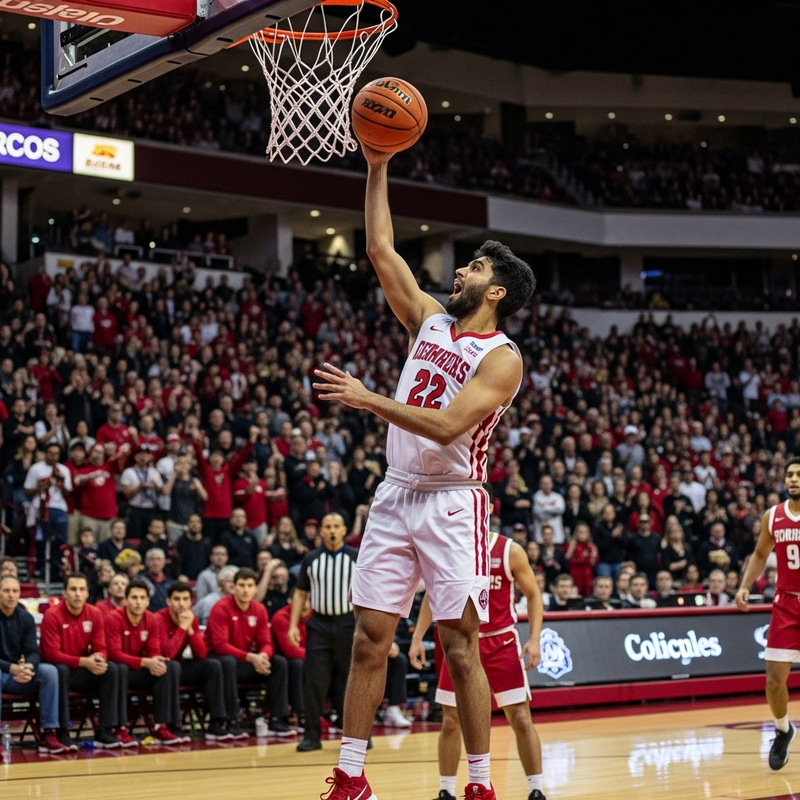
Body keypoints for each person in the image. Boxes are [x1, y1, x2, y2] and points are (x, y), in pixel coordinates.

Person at [311, 140, 535, 799]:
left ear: (494, 290)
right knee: (369, 641)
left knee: (459, 648)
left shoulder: (502, 358)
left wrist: (368, 397)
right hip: (395, 494)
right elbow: (382, 251)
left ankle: (480, 785)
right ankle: (351, 778)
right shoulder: (431, 322)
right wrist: (378, 166)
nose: (458, 271)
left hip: (453, 502)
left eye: (473, 267)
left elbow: (444, 426)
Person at [410, 530, 546, 800]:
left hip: (501, 643)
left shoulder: (510, 550)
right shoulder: (451, 547)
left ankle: (536, 788)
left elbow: (533, 594)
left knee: (519, 718)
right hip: (461, 643)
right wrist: (417, 637)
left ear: (489, 507)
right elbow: (431, 595)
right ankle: (446, 791)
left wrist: (535, 638)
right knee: (450, 720)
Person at [736, 456, 800, 771]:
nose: (794, 479)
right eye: (790, 475)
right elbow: (761, 553)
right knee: (774, 680)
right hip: (787, 603)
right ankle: (783, 730)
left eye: (799, 475)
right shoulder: (773, 516)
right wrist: (744, 586)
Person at [289, 512, 359, 752]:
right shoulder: (310, 559)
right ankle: (311, 734)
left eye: (336, 526)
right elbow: (300, 593)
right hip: (319, 624)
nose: (331, 530)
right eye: (327, 526)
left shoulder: (356, 557)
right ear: (321, 531)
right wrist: (292, 625)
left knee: (353, 679)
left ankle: (359, 735)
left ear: (344, 530)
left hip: (348, 623)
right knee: (314, 681)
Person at [39, 572, 132, 748]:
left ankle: (105, 729)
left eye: (82, 589)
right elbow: (51, 654)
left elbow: (101, 647)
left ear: (88, 593)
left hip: (81, 670)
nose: (77, 594)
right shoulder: (52, 615)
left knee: (110, 668)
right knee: (60, 669)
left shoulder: (94, 613)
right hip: (60, 672)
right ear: (64, 593)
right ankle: (62, 732)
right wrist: (85, 661)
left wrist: (98, 658)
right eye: (73, 589)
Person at [204, 567, 294, 737]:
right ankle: (232, 719)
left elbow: (266, 642)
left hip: (246, 661)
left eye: (250, 585)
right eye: (241, 585)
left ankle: (277, 719)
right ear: (234, 587)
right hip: (220, 663)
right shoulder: (221, 608)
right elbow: (220, 645)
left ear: (255, 588)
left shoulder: (259, 609)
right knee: (227, 662)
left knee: (279, 663)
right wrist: (251, 657)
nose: (245, 590)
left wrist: (263, 657)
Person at [155, 581, 237, 741]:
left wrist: (191, 630)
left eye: (185, 599)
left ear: (191, 601)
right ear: (168, 601)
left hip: (179, 666)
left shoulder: (190, 618)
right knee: (172, 666)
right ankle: (174, 725)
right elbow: (168, 654)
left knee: (212, 665)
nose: (181, 604)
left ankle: (216, 722)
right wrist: (183, 628)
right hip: (162, 668)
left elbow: (201, 654)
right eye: (177, 599)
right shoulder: (159, 619)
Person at [0, 575, 73, 754]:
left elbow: (33, 651)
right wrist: (12, 668)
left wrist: (29, 668)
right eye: (6, 591)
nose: (11, 595)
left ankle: (49, 733)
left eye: (15, 591)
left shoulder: (26, 618)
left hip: (17, 674)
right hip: (4, 671)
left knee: (49, 672)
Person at [105, 579, 184, 744]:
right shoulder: (113, 618)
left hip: (139, 670)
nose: (138, 602)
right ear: (126, 600)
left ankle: (162, 725)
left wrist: (156, 661)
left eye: (142, 598)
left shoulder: (152, 619)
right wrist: (146, 662)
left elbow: (154, 649)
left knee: (170, 667)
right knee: (119, 669)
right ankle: (120, 728)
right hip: (120, 671)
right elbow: (114, 654)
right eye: (134, 597)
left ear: (148, 601)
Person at [24, 441, 72, 580]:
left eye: (56, 454)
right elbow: (28, 490)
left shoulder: (64, 470)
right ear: (46, 454)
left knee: (60, 540)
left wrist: (61, 483)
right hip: (41, 507)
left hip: (60, 508)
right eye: (50, 453)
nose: (53, 456)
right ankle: (39, 569)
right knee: (41, 539)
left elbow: (67, 494)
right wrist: (41, 487)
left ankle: (57, 570)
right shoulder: (36, 469)